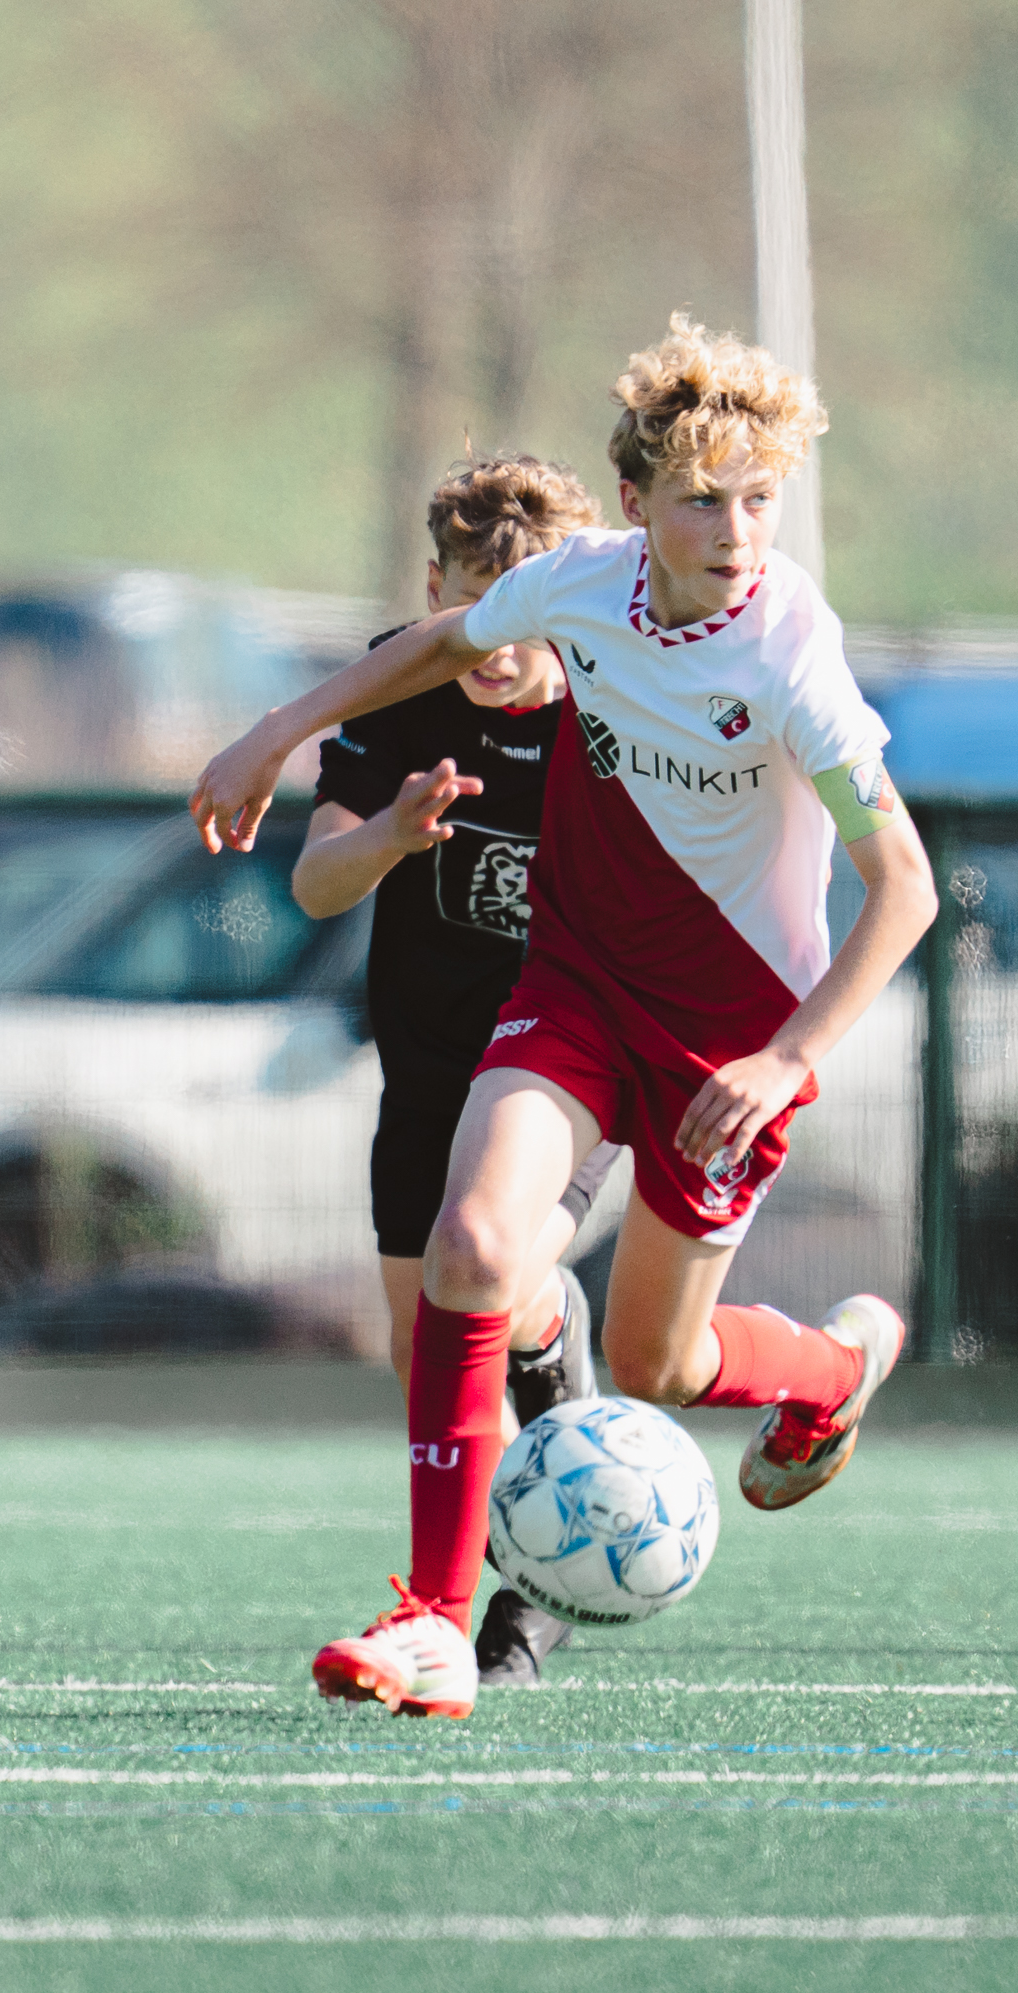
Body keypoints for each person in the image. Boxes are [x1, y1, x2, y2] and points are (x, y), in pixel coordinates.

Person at [192, 318, 940, 1721]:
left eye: (761, 496)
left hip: (731, 1044)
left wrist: (788, 1058)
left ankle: (839, 1365)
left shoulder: (790, 654)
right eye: (705, 496)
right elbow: (431, 643)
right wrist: (276, 732)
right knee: (476, 1245)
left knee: (659, 1361)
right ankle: (429, 1617)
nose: (737, 527)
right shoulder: (584, 589)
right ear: (641, 501)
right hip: (576, 994)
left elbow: (905, 890)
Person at [294, 453, 619, 1686]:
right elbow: (315, 880)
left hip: (565, 1070)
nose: (499, 635)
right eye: (478, 595)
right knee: (425, 1349)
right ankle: (550, 1342)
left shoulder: (616, 702)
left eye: (527, 601)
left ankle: (524, 1600)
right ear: (441, 587)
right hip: (425, 1067)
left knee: (477, 1275)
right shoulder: (405, 683)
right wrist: (388, 833)